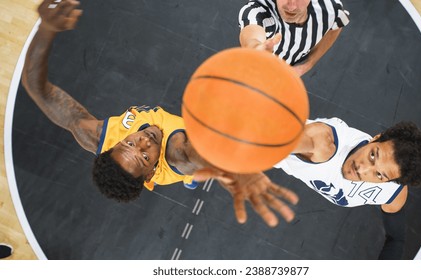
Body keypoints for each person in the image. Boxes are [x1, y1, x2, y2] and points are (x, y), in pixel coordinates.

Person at [21, 0, 299, 228]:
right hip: (195, 157)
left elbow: (38, 89)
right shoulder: (174, 154)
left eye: (130, 143)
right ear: (152, 172)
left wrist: (46, 28)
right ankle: (192, 178)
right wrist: (243, 175)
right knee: (206, 152)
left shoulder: (95, 137)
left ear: (113, 144)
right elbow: (202, 155)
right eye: (144, 157)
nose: (144, 141)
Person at [274, 117, 421, 258]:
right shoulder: (322, 143)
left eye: (379, 175)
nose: (362, 169)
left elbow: (396, 239)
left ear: (390, 182)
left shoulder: (392, 193)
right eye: (372, 155)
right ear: (376, 138)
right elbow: (263, 139)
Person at [238, 0, 350, 76]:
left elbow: (336, 25)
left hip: (286, 77)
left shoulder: (331, 8)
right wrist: (257, 49)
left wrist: (307, 65)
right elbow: (251, 36)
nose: (291, 6)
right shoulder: (257, 10)